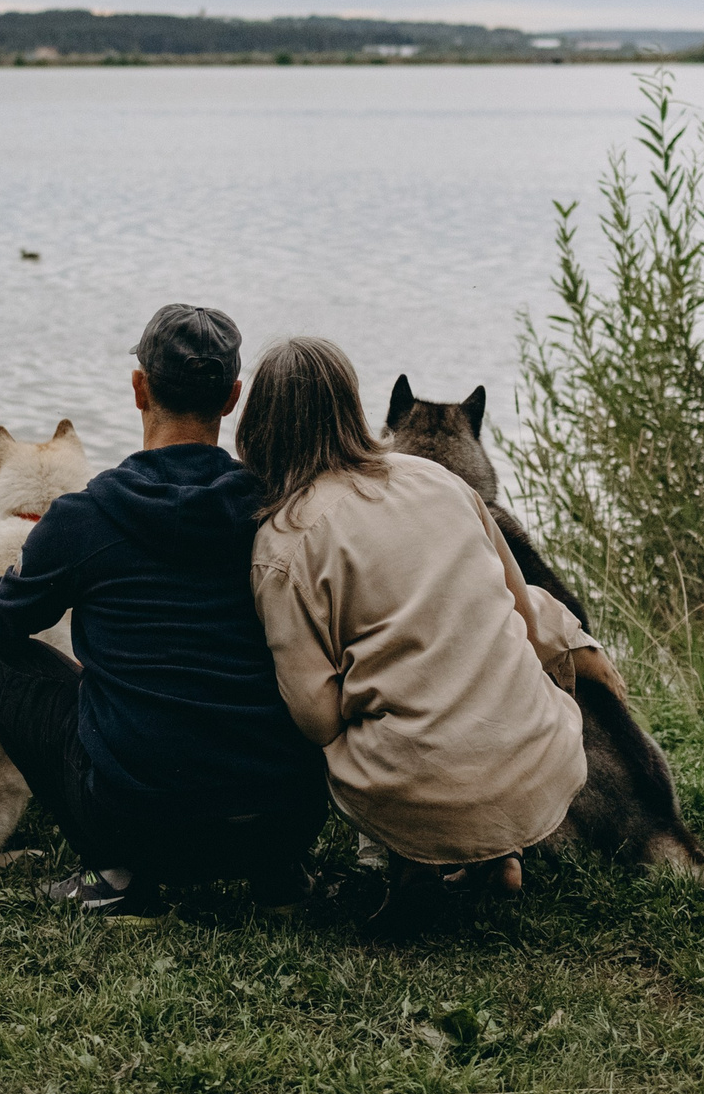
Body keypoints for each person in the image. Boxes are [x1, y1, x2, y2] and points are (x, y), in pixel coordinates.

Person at [0, 305, 331, 916]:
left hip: (144, 830)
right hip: (280, 822)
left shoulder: (86, 517)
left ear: (138, 388)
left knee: (14, 665)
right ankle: (281, 880)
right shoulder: (277, 507)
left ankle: (117, 877)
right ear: (233, 398)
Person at [236, 335, 602, 914]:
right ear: (355, 411)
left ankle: (416, 859)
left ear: (257, 428)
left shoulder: (282, 540)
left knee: (353, 718)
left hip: (417, 794)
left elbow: (316, 719)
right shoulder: (440, 480)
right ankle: (497, 856)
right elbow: (526, 619)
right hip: (544, 763)